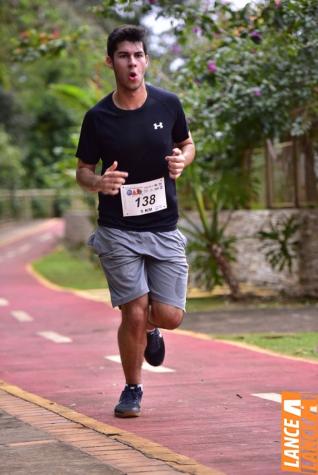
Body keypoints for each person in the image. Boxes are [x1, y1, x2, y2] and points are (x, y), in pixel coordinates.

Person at [75, 24, 195, 418]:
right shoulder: (97, 118)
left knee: (169, 316)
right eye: (124, 56)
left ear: (147, 60)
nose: (132, 63)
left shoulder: (167, 104)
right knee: (135, 309)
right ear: (111, 61)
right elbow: (82, 172)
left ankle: (153, 330)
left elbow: (187, 143)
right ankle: (132, 388)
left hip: (163, 227)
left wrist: (182, 159)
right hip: (118, 231)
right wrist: (99, 182)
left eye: (139, 55)